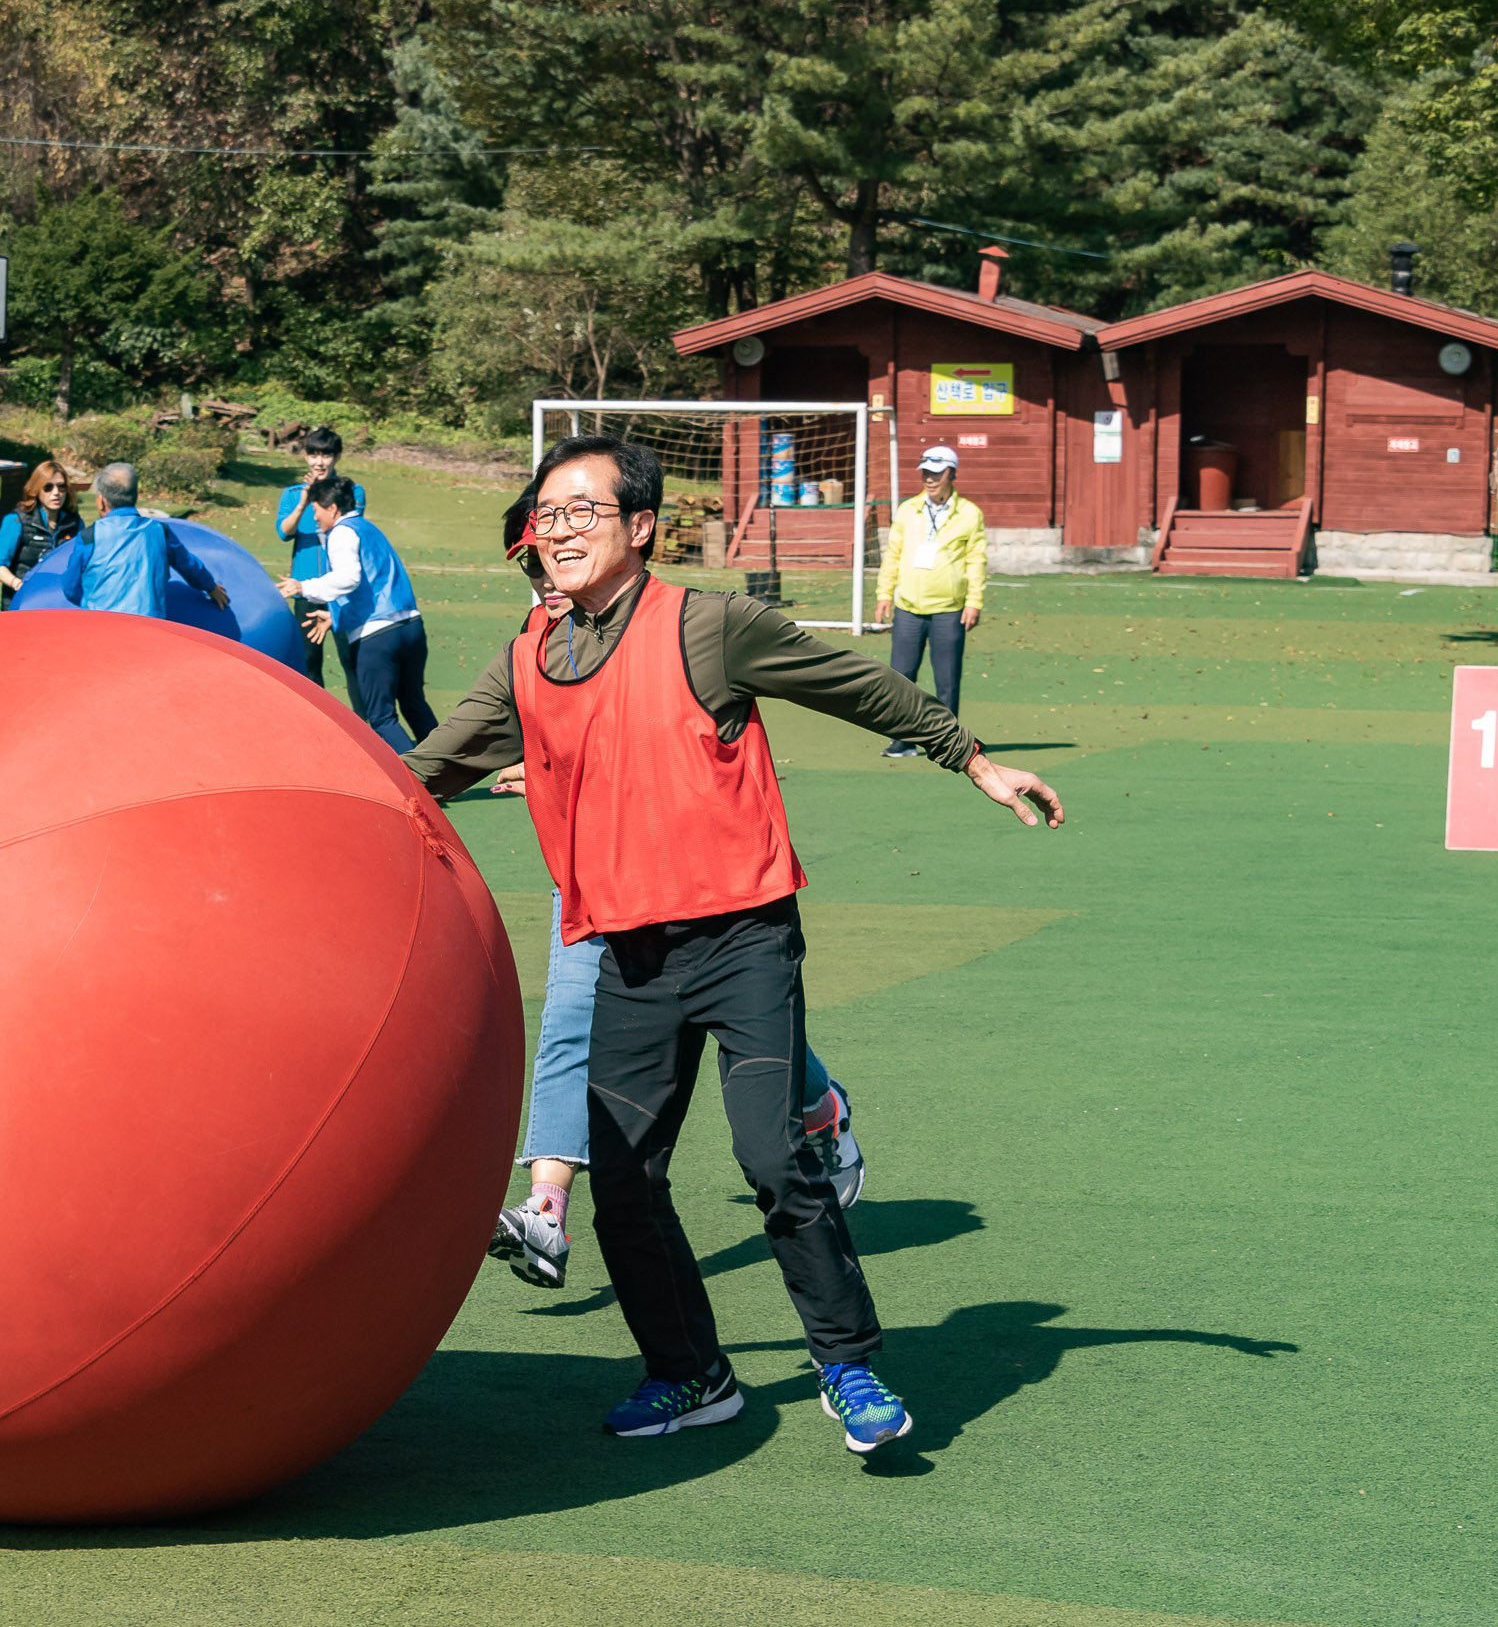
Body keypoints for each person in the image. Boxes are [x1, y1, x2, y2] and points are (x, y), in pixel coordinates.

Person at [400, 434, 1062, 1454]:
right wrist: (335, 795)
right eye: (548, 511)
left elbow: (851, 683)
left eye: (584, 509)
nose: (560, 526)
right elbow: (430, 766)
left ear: (641, 527)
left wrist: (968, 755)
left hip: (743, 939)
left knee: (772, 1156)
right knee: (624, 1182)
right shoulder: (527, 658)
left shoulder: (710, 627)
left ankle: (848, 1363)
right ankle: (691, 1373)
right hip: (625, 953)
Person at [480, 506, 861, 1295]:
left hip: (706, 890)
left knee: (743, 1040)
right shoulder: (537, 642)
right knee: (566, 1025)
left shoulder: (680, 624)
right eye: (531, 564)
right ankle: (546, 1208)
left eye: (557, 552)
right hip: (594, 883)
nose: (547, 577)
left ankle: (817, 1104)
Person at [278, 474, 437, 753]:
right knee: (414, 703)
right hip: (410, 625)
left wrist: (303, 586)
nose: (314, 518)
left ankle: (415, 783)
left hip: (377, 637)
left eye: (316, 510)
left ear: (332, 508)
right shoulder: (368, 528)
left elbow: (348, 578)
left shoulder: (341, 532)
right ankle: (450, 772)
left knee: (381, 718)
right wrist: (335, 617)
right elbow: (371, 583)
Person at [873, 443, 987, 758]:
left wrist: (973, 601)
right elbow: (892, 555)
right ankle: (902, 739)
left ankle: (947, 744)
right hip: (908, 608)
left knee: (947, 680)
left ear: (952, 473)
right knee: (900, 678)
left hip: (949, 610)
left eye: (936, 473)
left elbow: (976, 560)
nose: (929, 478)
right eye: (925, 472)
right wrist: (885, 593)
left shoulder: (969, 514)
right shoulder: (907, 510)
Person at [56, 460, 234, 620]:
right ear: (136, 496)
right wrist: (210, 587)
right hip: (150, 629)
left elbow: (70, 586)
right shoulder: (159, 531)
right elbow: (188, 564)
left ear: (101, 501)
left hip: (102, 628)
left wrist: (92, 603)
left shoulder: (90, 536)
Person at [274, 426, 362, 689]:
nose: (319, 462)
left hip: (343, 590)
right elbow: (284, 532)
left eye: (326, 455)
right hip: (305, 591)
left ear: (337, 457)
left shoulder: (352, 492)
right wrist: (304, 501)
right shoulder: (291, 494)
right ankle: (319, 727)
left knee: (352, 662)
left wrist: (323, 493)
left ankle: (365, 727)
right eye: (313, 455)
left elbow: (349, 527)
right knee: (309, 663)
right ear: (305, 457)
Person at [0, 461, 78, 608]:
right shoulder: (17, 520)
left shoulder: (74, 523)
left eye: (61, 487)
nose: (56, 492)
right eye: (48, 487)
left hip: (59, 606)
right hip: (21, 604)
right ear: (36, 490)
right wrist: (18, 585)